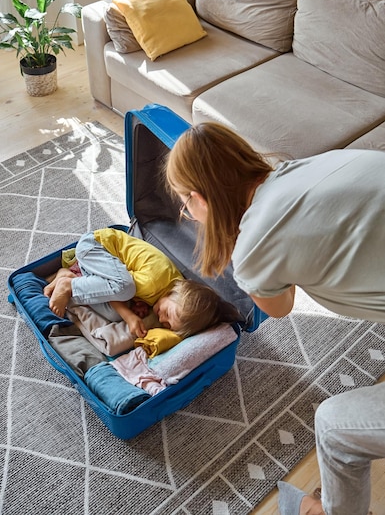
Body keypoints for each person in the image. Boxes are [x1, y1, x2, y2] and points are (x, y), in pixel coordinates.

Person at [165, 121, 385, 515]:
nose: (189, 214)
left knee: (334, 426)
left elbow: (280, 307)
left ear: (199, 199)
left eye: (185, 205)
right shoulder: (314, 164)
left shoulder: (251, 249)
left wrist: (246, 256)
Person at [45, 226, 240, 340]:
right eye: (168, 315)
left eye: (168, 325)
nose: (162, 320)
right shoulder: (155, 281)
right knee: (125, 290)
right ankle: (69, 285)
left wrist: (137, 305)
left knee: (114, 313)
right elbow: (118, 288)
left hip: (103, 265)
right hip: (96, 246)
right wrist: (129, 316)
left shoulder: (169, 289)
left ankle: (69, 275)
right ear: (177, 295)